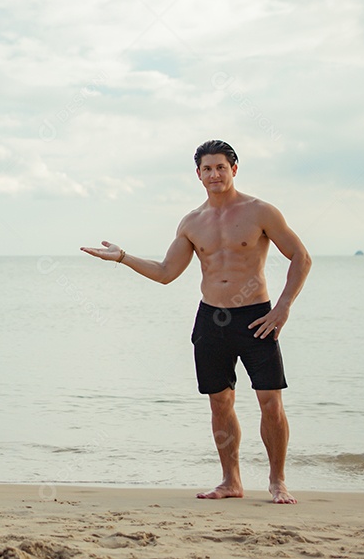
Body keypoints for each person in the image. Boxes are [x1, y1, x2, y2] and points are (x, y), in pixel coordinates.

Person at [81, 140, 311, 504]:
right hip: (211, 320)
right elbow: (166, 272)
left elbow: (301, 257)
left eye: (221, 167)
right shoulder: (192, 222)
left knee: (270, 401)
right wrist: (122, 257)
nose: (214, 174)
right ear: (198, 174)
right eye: (207, 169)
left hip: (256, 317)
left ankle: (278, 481)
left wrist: (282, 308)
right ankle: (231, 481)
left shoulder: (261, 212)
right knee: (220, 403)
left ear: (234, 170)